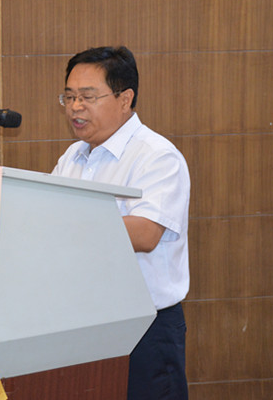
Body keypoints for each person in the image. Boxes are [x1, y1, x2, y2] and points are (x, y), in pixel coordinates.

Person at [52, 46, 190, 400]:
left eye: (87, 97)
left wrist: (69, 223)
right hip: (81, 321)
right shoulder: (73, 156)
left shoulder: (157, 156)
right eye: (69, 97)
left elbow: (145, 233)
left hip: (144, 330)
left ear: (125, 98)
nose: (75, 107)